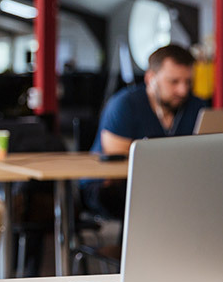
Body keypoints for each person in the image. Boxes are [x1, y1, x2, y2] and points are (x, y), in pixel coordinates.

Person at [82, 44, 206, 218]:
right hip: (110, 185)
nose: (182, 90)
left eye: (188, 82)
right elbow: (118, 166)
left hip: (171, 182)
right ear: (150, 78)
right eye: (173, 82)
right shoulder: (124, 105)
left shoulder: (196, 106)